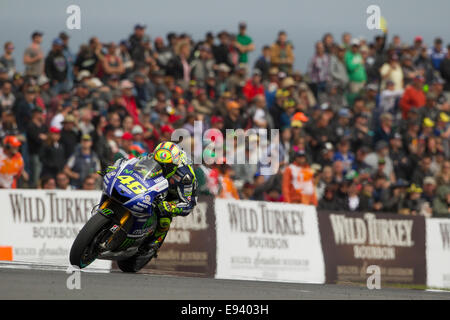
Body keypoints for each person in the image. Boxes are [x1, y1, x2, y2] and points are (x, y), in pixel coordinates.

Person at [101, 141, 197, 254]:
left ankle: (153, 243)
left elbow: (188, 204)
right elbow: (131, 164)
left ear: (174, 165)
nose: (162, 167)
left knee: (164, 219)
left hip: (174, 195)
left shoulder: (185, 177)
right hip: (153, 184)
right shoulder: (150, 157)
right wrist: (115, 169)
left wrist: (171, 207)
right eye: (158, 163)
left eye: (166, 166)